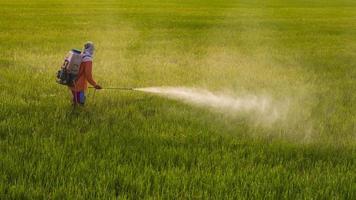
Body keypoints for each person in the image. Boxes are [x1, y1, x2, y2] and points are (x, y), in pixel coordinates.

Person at [70, 41, 102, 105]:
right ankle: (79, 113)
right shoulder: (88, 59)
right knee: (81, 103)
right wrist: (95, 85)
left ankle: (74, 112)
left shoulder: (80, 56)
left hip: (72, 82)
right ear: (91, 49)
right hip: (79, 85)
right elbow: (88, 75)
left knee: (75, 101)